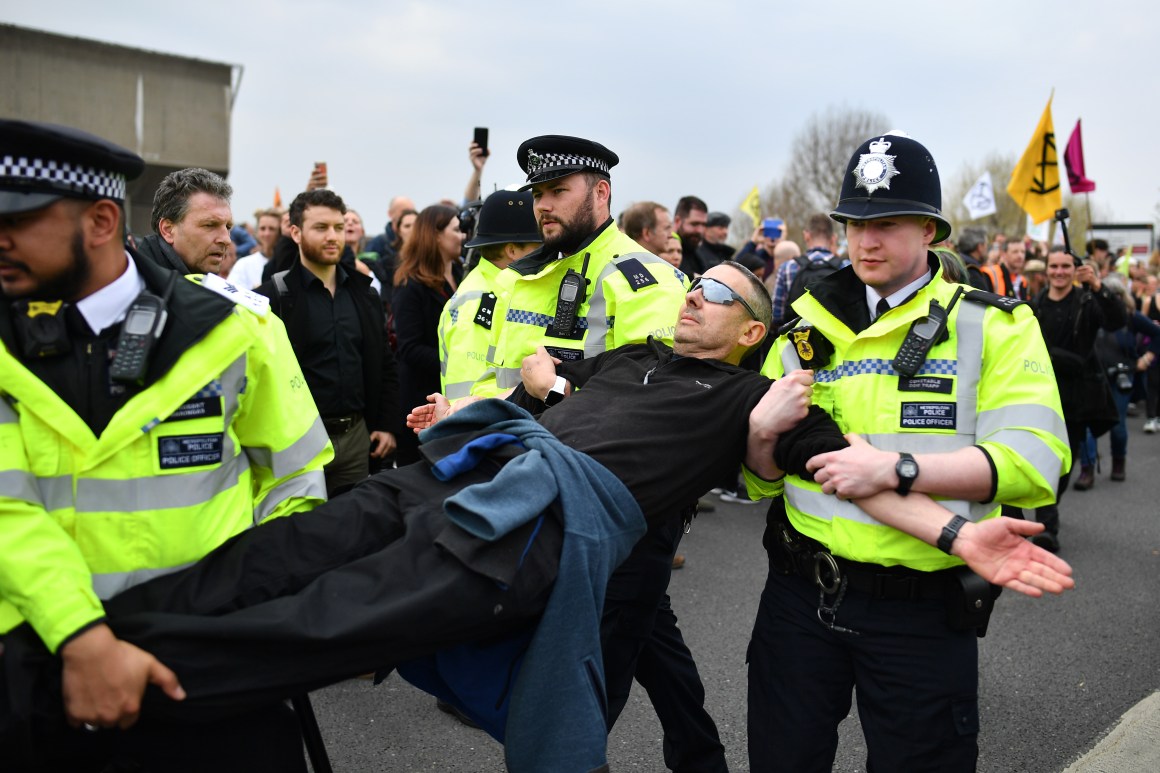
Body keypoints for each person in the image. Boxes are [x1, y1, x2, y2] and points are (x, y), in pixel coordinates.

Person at [1, 260, 1074, 773]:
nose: (693, 295)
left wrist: (951, 529)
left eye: (718, 293)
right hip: (458, 477)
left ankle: (89, 693)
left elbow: (849, 473)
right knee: (282, 550)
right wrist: (483, 400)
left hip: (531, 530)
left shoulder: (759, 400)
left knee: (329, 619)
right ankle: (81, 643)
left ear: (751, 333)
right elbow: (545, 389)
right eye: (694, 282)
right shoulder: (629, 354)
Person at [0, 119, 332, 772]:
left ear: (99, 222)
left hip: (215, 680)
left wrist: (250, 619)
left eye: (17, 222)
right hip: (45, 677)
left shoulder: (237, 333)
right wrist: (84, 638)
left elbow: (296, 485)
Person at [746, 132, 1072, 773]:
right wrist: (759, 437)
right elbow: (761, 479)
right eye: (854, 224)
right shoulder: (803, 329)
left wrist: (897, 469)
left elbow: (1036, 460)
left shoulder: (992, 325)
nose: (865, 241)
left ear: (929, 231)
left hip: (920, 608)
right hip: (798, 596)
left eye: (886, 224)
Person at [467, 135, 717, 771]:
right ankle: (701, 757)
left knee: (575, 694)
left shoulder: (644, 279)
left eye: (559, 192)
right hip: (542, 494)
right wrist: (463, 420)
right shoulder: (523, 277)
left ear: (601, 194)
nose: (544, 207)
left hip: (616, 508)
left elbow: (656, 401)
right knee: (649, 641)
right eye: (538, 195)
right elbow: (503, 380)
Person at [255, 189, 399, 496]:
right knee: (301, 534)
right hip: (296, 440)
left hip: (356, 439)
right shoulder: (272, 297)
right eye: (321, 228)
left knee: (353, 534)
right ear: (295, 232)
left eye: (338, 227)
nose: (332, 236)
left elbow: (383, 362)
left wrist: (386, 424)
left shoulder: (365, 294)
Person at [1029, 246, 1126, 540]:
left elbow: (1117, 320)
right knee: (1036, 456)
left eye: (1065, 267)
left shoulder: (1087, 301)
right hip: (1038, 394)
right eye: (1054, 266)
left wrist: (1098, 287)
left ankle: (1048, 510)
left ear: (1075, 270)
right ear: (1046, 270)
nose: (1059, 272)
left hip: (1075, 397)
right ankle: (1046, 522)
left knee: (1062, 461)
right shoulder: (1035, 305)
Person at [439, 190, 542, 401]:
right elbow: (467, 391)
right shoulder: (478, 302)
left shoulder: (499, 290)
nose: (546, 254)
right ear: (512, 251)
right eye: (539, 246)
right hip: (482, 429)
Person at [393, 204, 463, 464]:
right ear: (435, 235)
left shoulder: (461, 274)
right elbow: (409, 348)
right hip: (421, 402)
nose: (463, 236)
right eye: (456, 230)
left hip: (453, 396)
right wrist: (458, 361)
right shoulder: (410, 284)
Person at [1090, 275, 1160, 481]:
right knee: (1086, 424)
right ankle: (1087, 468)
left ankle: (1118, 462)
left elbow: (1157, 333)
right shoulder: (1091, 314)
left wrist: (1146, 359)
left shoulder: (1130, 316)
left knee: (1118, 424)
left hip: (1122, 376)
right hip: (1093, 376)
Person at [135, 168, 234, 275]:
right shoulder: (132, 286)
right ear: (168, 230)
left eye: (228, 227)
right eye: (210, 225)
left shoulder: (217, 288)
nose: (226, 240)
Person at [769, 212, 849, 325]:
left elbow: (777, 315)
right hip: (839, 339)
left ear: (806, 235)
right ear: (833, 238)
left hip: (796, 339)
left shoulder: (787, 268)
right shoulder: (846, 267)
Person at [227, 208, 281, 289]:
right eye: (262, 228)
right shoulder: (243, 264)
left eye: (272, 229)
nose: (267, 233)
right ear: (257, 232)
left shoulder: (288, 263)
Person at [674, 194, 710, 277]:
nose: (700, 230)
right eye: (694, 224)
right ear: (677, 221)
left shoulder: (700, 258)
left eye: (703, 225)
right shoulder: (661, 252)